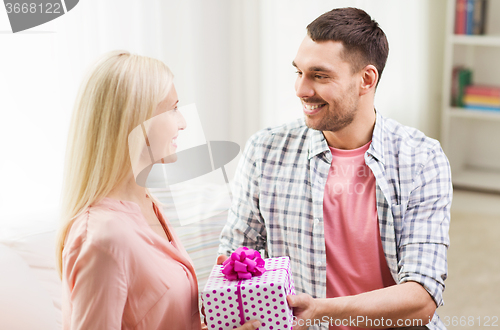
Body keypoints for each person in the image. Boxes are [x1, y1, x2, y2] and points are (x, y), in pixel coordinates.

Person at [218, 7, 451, 330]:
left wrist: (322, 311)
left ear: (366, 79)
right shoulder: (265, 150)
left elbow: (421, 298)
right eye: (298, 72)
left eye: (319, 75)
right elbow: (235, 257)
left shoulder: (422, 158)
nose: (301, 89)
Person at [56, 51, 260, 330]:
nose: (183, 123)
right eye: (173, 109)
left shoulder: (148, 205)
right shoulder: (103, 237)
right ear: (133, 120)